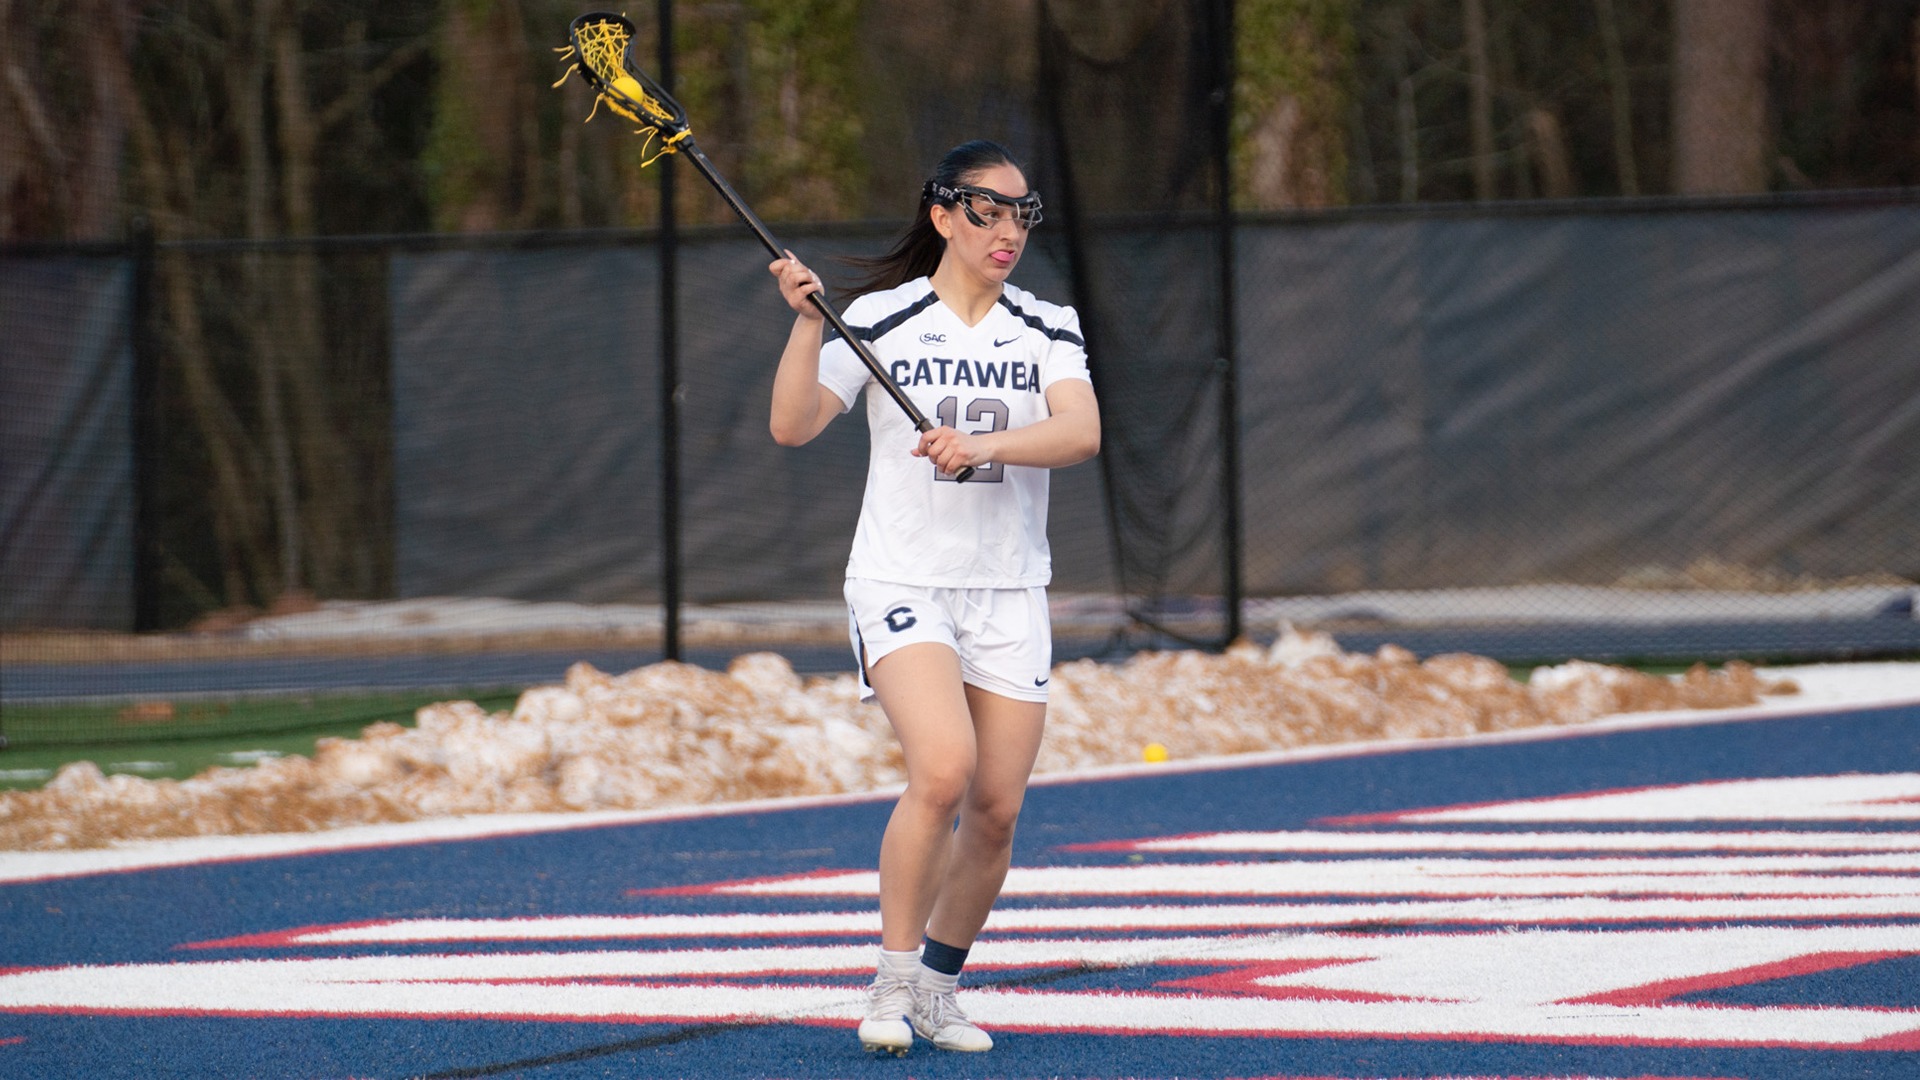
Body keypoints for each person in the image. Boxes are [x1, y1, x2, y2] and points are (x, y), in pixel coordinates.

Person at [766, 139, 1100, 1055]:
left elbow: (1080, 433)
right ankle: (892, 977)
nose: (1007, 231)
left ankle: (940, 988)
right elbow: (792, 426)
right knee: (943, 770)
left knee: (995, 808)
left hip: (1009, 589)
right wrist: (807, 325)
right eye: (985, 212)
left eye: (1020, 214)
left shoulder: (1046, 324)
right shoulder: (880, 317)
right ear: (944, 217)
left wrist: (984, 445)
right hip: (902, 578)